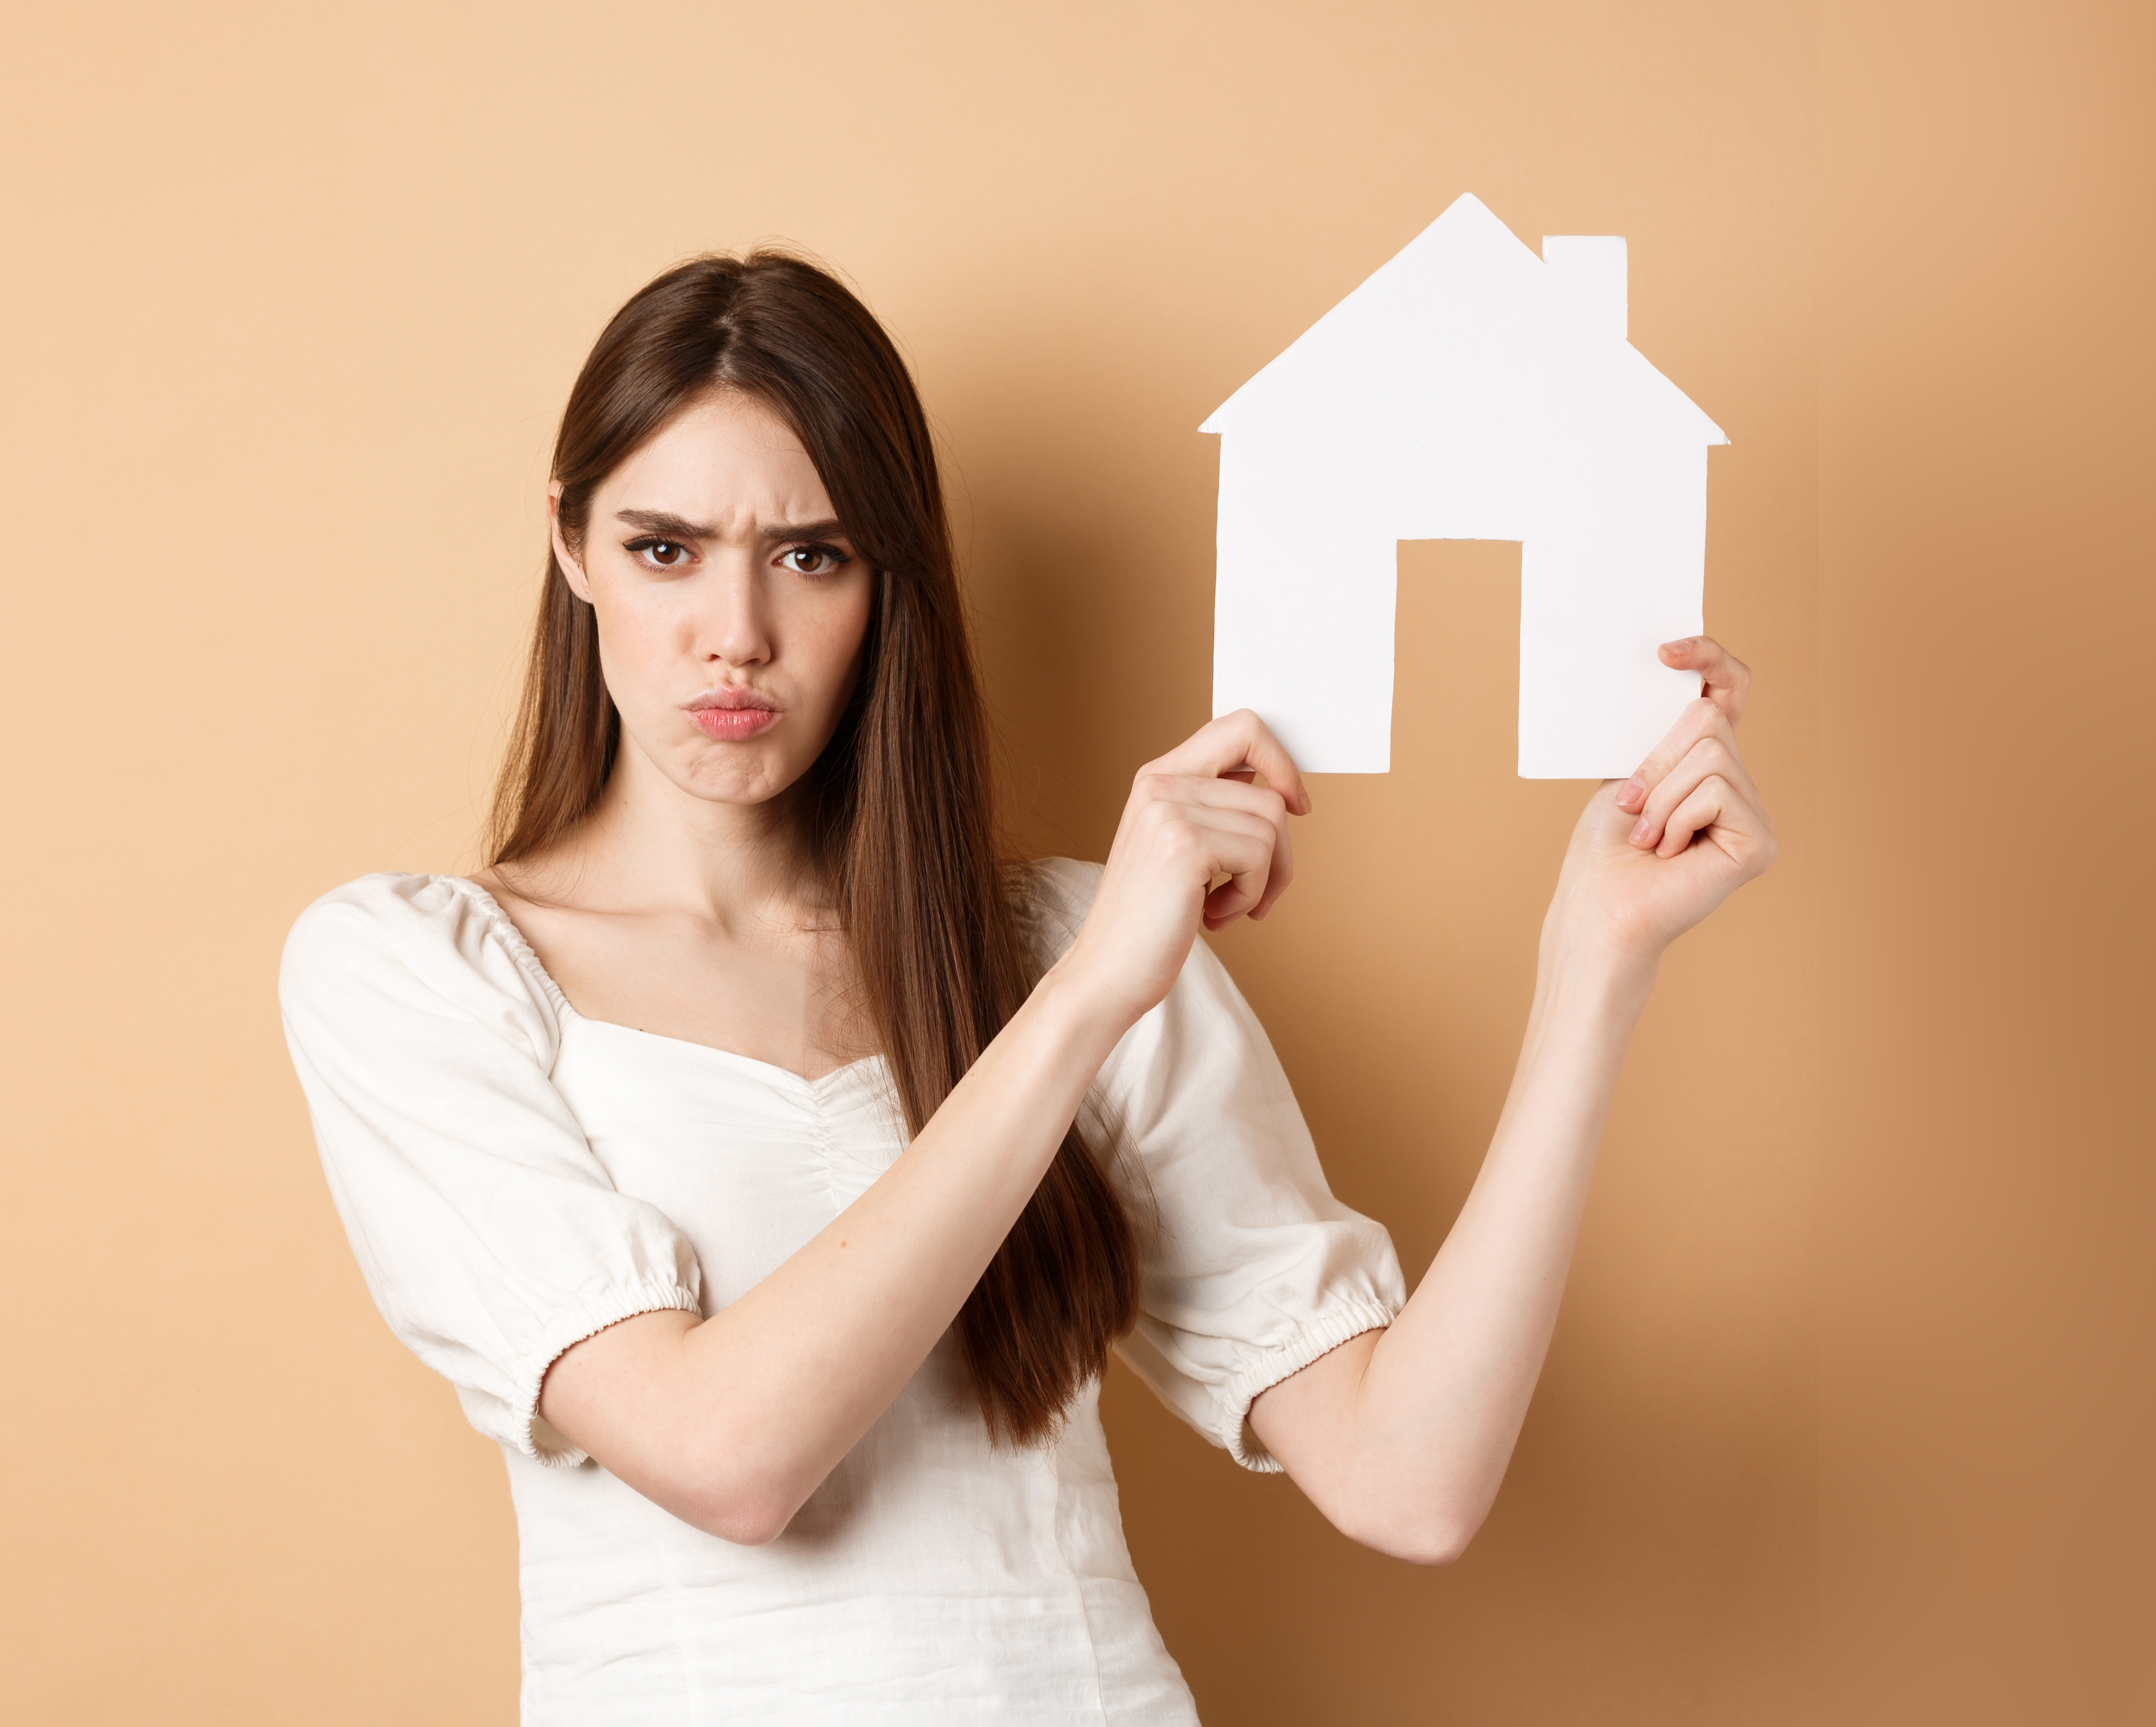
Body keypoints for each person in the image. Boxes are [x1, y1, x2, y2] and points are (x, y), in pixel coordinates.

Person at [275, 250, 1773, 1723]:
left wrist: (1596, 961)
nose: (736, 633)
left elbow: (1408, 1479)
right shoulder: (419, 972)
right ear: (569, 543)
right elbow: (726, 1457)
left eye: (811, 554)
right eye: (666, 548)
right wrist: (1089, 995)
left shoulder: (1062, 939)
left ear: (889, 579)